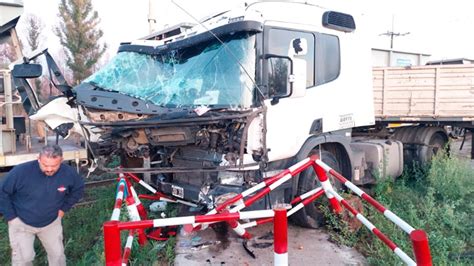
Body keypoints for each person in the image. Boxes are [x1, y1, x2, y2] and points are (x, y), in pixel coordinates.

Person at [0, 144, 84, 266]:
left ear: (61, 160)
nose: (49, 169)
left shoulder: (69, 173)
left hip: (51, 222)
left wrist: (63, 209)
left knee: (58, 256)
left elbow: (78, 189)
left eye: (54, 166)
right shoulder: (20, 172)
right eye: (45, 165)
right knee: (24, 259)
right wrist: (11, 217)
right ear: (38, 159)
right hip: (21, 223)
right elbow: (2, 192)